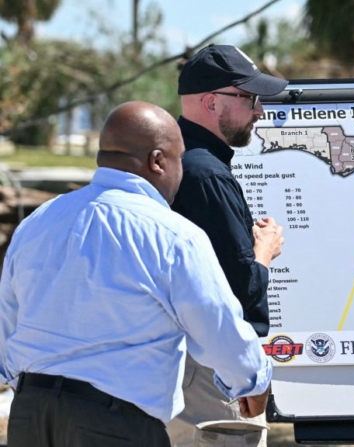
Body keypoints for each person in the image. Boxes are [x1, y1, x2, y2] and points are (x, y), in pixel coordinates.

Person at [0, 101, 273, 447]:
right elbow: (216, 323)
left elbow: (7, 319)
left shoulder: (39, 221)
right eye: (179, 160)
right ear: (158, 161)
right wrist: (253, 381)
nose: (182, 171)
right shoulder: (174, 234)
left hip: (30, 415)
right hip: (113, 422)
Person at [166, 44, 287, 446]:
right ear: (212, 102)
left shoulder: (173, 161)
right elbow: (238, 288)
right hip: (211, 372)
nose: (259, 111)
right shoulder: (207, 174)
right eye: (250, 98)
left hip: (179, 362)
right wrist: (265, 250)